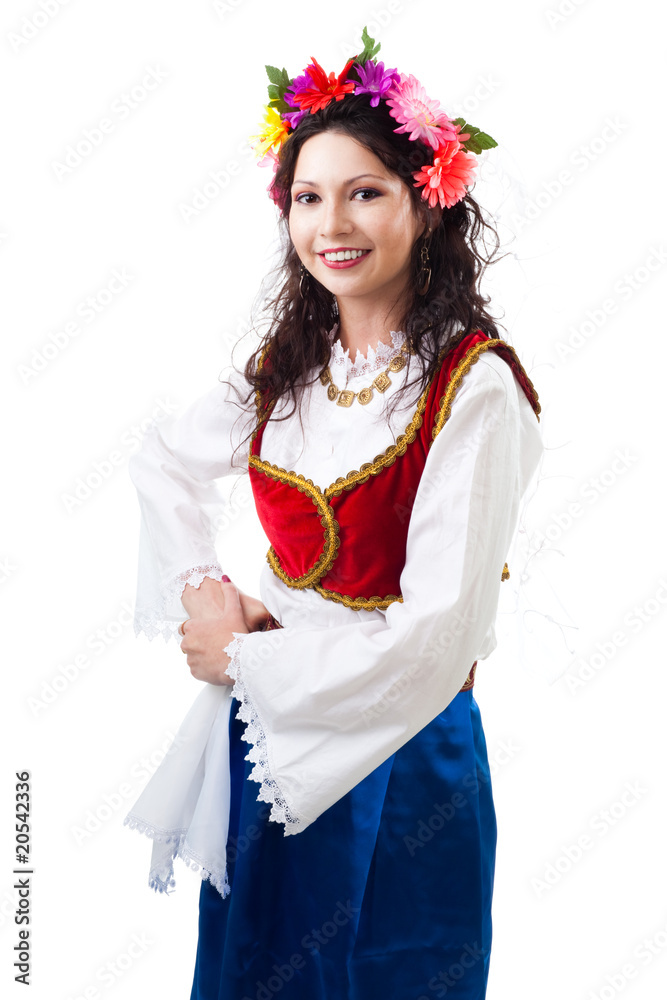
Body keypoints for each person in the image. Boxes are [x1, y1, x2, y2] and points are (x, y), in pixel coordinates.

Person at [124, 28, 543, 1000]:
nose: (332, 223)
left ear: (426, 200)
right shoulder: (294, 374)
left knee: (379, 972)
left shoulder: (471, 390)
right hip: (269, 739)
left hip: (399, 764)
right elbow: (161, 460)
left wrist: (242, 659)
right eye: (308, 196)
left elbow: (433, 640)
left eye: (365, 192)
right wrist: (208, 596)